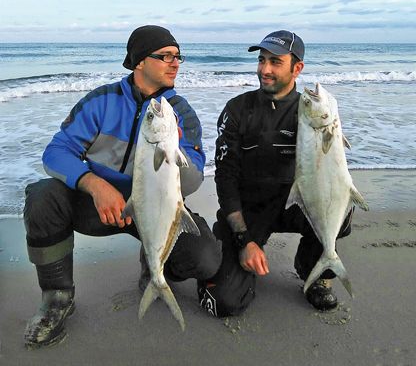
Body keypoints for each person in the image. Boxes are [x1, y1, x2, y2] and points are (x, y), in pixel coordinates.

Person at [23, 25, 222, 348]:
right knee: (43, 196)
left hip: (158, 209)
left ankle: (153, 264)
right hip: (102, 206)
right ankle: (57, 298)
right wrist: (93, 184)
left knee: (206, 259)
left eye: (178, 57)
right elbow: (56, 152)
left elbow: (194, 180)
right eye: (165, 56)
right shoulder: (101, 102)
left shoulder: (180, 113)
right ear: (139, 62)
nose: (175, 63)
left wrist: (176, 150)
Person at [198, 30, 352, 317]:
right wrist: (244, 241)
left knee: (342, 208)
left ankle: (312, 269)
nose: (264, 70)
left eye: (275, 62)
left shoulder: (311, 110)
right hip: (249, 211)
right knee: (224, 304)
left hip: (298, 203)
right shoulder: (237, 110)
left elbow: (333, 171)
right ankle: (222, 261)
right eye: (261, 60)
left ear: (297, 68)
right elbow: (226, 178)